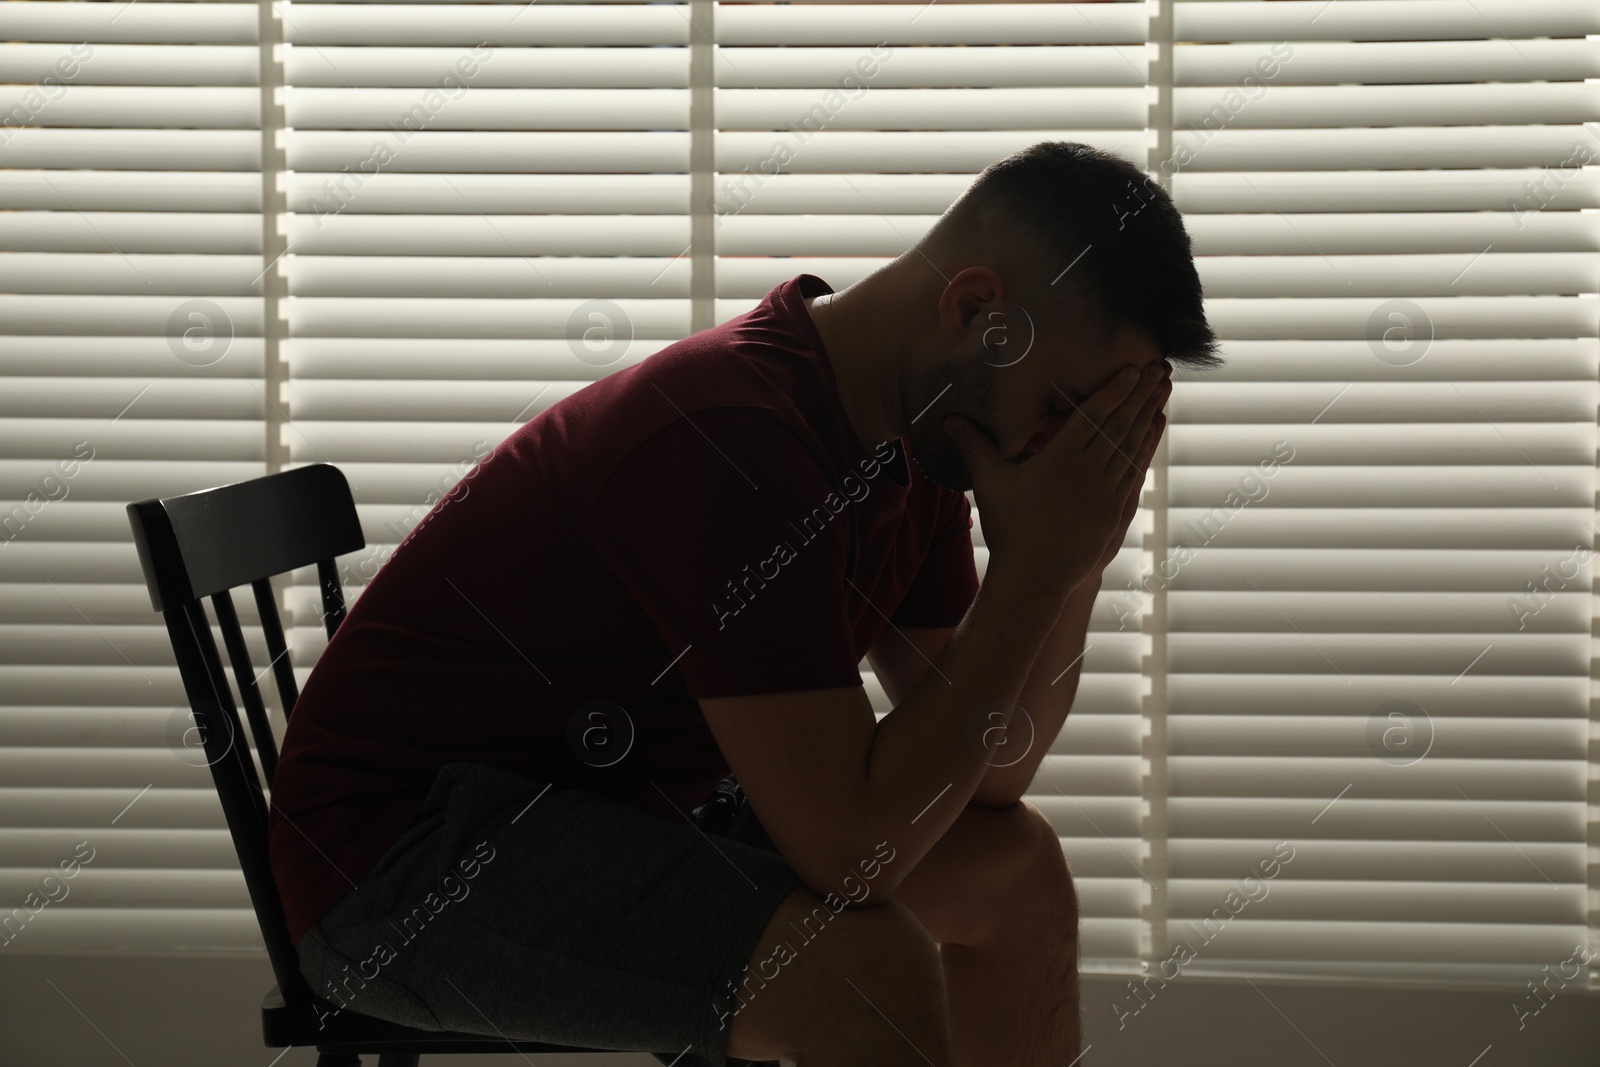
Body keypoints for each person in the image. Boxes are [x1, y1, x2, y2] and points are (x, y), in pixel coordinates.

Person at [267, 139, 1221, 1067]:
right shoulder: (731, 440)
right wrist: (1036, 566)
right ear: (975, 309)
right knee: (862, 973)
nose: (1058, 452)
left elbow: (992, 769)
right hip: (402, 862)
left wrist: (1075, 555)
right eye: (1063, 409)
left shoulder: (920, 442)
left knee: (1016, 872)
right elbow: (855, 852)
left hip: (620, 808)